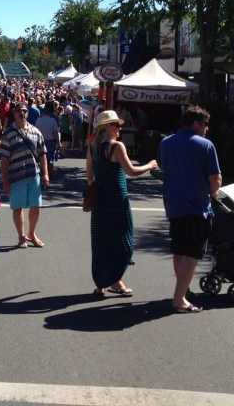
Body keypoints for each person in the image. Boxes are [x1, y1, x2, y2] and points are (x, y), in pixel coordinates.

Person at [86, 111, 157, 298]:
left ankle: (101, 283)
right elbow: (132, 171)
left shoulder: (92, 147)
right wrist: (150, 165)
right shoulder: (117, 147)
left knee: (101, 241)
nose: (119, 128)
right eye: (116, 125)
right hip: (117, 200)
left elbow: (89, 177)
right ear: (106, 127)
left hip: (100, 201)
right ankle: (116, 281)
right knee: (122, 241)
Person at [158, 105, 222, 314]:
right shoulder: (205, 145)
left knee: (179, 249)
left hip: (173, 203)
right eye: (205, 124)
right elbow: (215, 178)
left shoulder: (165, 143)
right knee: (192, 253)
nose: (207, 128)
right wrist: (214, 193)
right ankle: (179, 299)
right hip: (196, 205)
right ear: (196, 124)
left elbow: (163, 168)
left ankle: (182, 291)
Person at [0, 101, 49, 249]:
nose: (22, 113)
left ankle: (31, 233)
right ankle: (21, 236)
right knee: (18, 207)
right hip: (16, 176)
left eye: (25, 111)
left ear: (28, 113)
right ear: (14, 113)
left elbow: (42, 154)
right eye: (19, 111)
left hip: (34, 175)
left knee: (36, 206)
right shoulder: (8, 134)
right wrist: (5, 181)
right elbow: (3, 160)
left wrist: (45, 174)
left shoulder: (35, 131)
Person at [35, 101, 61, 179]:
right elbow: (55, 132)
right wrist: (58, 143)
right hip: (50, 142)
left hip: (40, 142)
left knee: (41, 158)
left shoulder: (39, 120)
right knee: (50, 159)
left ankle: (42, 173)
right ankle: (50, 173)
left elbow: (36, 131)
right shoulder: (53, 120)